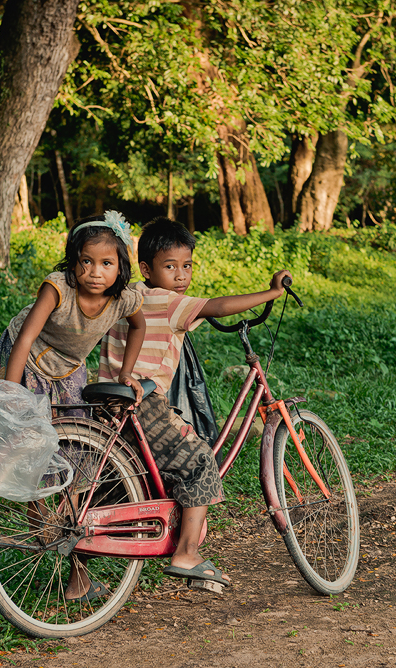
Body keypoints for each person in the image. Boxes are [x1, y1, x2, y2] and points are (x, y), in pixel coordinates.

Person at [99, 217, 291, 587]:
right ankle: (187, 554)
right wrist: (272, 294)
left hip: (108, 401)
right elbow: (217, 307)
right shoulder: (167, 302)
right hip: (144, 402)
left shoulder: (129, 295)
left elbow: (199, 312)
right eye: (170, 267)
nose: (181, 275)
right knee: (201, 462)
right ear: (146, 268)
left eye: (187, 266)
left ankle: (77, 581)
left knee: (112, 485)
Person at [0, 210, 147, 601]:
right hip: (27, 359)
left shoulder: (124, 298)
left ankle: (74, 568)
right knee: (32, 450)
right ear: (73, 262)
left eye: (107, 263)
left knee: (77, 460)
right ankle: (31, 522)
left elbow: (139, 327)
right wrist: (12, 395)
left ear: (121, 266)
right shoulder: (58, 288)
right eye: (86, 261)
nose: (95, 272)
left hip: (70, 370)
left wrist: (127, 374)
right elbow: (25, 339)